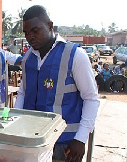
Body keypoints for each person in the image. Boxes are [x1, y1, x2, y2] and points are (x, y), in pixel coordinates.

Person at [14, 5, 100, 161]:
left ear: (50, 26)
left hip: (65, 143)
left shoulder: (74, 55)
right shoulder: (28, 58)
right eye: (26, 33)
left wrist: (80, 138)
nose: (30, 37)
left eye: (35, 30)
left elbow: (91, 98)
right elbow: (23, 93)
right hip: (31, 141)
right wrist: (13, 123)